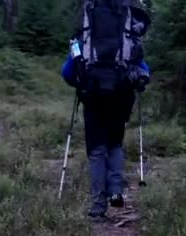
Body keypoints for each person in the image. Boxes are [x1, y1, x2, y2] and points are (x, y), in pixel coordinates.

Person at [61, 55, 150, 220]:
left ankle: (98, 206)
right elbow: (144, 70)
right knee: (115, 145)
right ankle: (116, 191)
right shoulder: (127, 37)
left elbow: (67, 72)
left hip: (92, 98)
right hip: (121, 98)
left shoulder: (85, 36)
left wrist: (79, 84)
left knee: (96, 151)